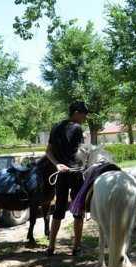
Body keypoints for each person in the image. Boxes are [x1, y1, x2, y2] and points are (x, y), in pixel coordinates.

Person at [46, 101, 88, 256]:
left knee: (58, 210)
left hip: (62, 174)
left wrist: (57, 165)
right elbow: (81, 152)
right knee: (78, 211)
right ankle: (76, 248)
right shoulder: (77, 128)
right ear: (76, 112)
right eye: (84, 113)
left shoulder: (56, 127)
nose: (85, 117)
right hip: (75, 173)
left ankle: (51, 247)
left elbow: (48, 151)